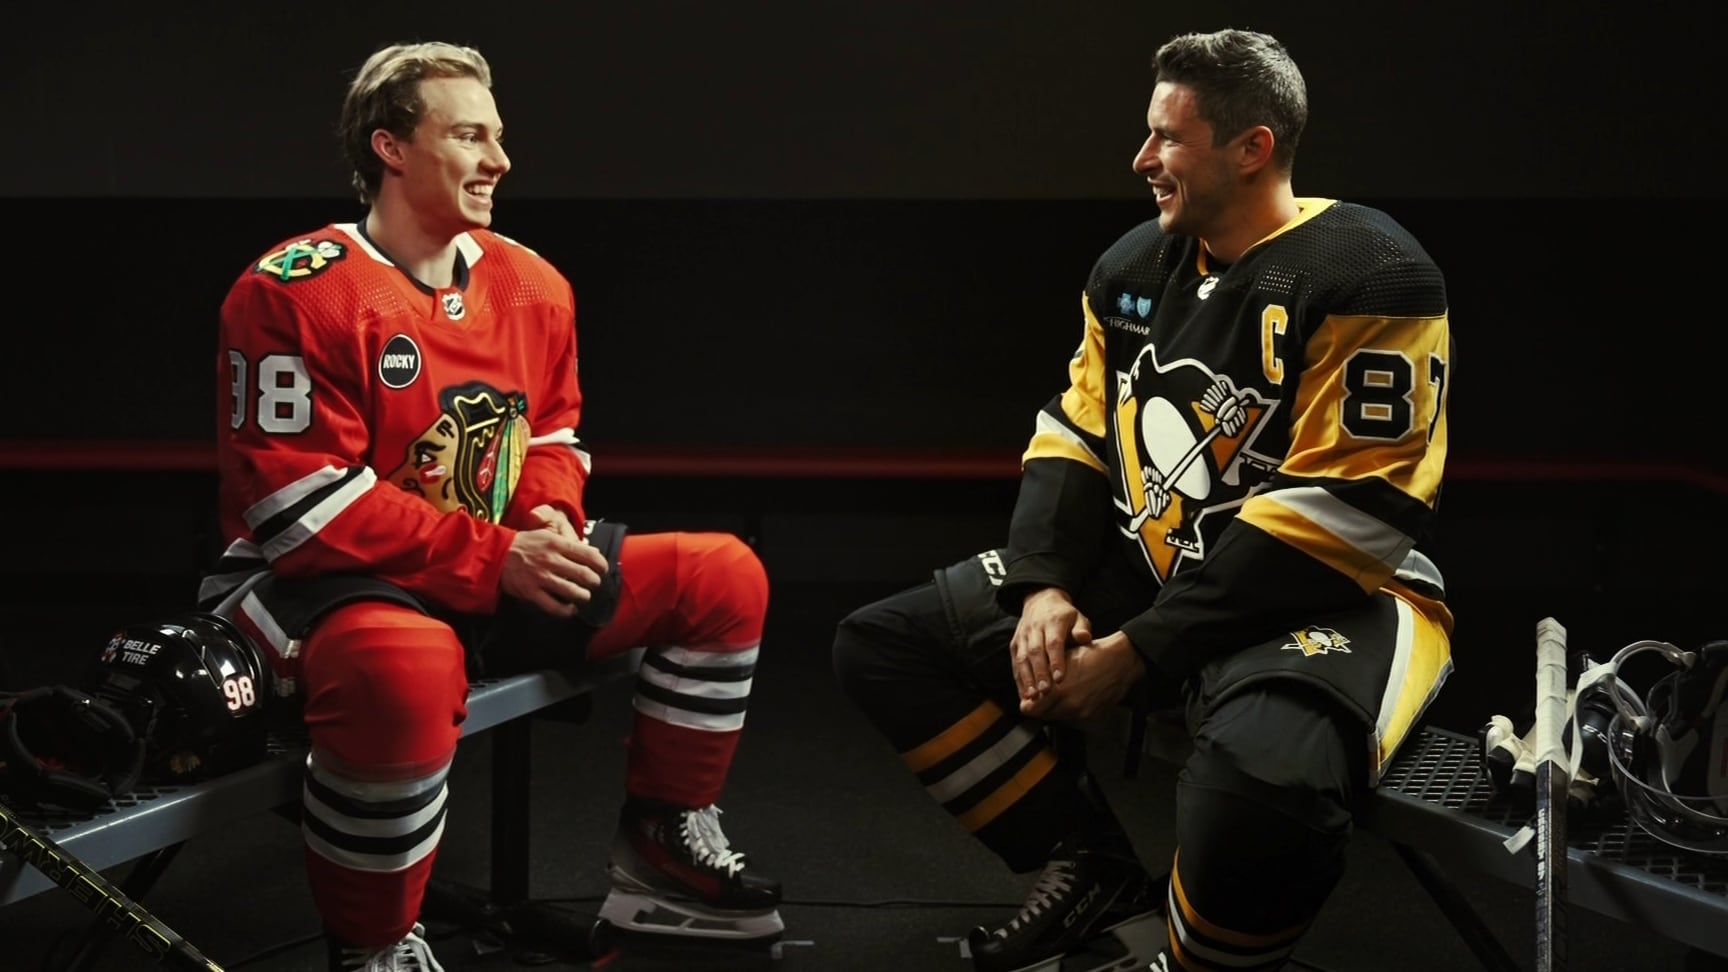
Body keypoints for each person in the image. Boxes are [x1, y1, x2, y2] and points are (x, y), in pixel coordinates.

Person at [833, 27, 1454, 972]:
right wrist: (1046, 586)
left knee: (1260, 781)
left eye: (1167, 136)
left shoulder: (1370, 272)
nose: (1142, 160)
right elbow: (1077, 432)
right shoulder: (1132, 270)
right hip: (1166, 572)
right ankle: (1088, 870)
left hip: (1343, 593)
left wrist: (1140, 650)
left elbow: (1348, 510)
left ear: (1252, 149)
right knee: (890, 643)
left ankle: (1197, 962)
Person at [200, 41, 781, 972]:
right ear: (391, 147)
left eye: (498, 135)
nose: (500, 160)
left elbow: (550, 435)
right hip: (329, 585)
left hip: (491, 563)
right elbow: (294, 506)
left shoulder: (531, 283)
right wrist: (496, 559)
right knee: (406, 672)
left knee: (721, 576)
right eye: (470, 135)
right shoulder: (294, 291)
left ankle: (659, 854)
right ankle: (376, 947)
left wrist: (547, 518)